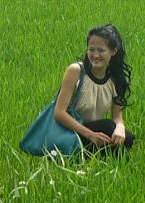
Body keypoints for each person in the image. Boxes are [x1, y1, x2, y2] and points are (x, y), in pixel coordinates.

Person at [52, 24, 135, 154]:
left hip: (91, 133)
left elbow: (117, 115)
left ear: (113, 51)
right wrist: (90, 134)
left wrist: (120, 127)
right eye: (91, 50)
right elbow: (59, 113)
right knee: (107, 127)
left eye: (101, 50)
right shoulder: (76, 71)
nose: (95, 55)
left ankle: (95, 158)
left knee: (127, 138)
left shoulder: (115, 79)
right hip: (68, 131)